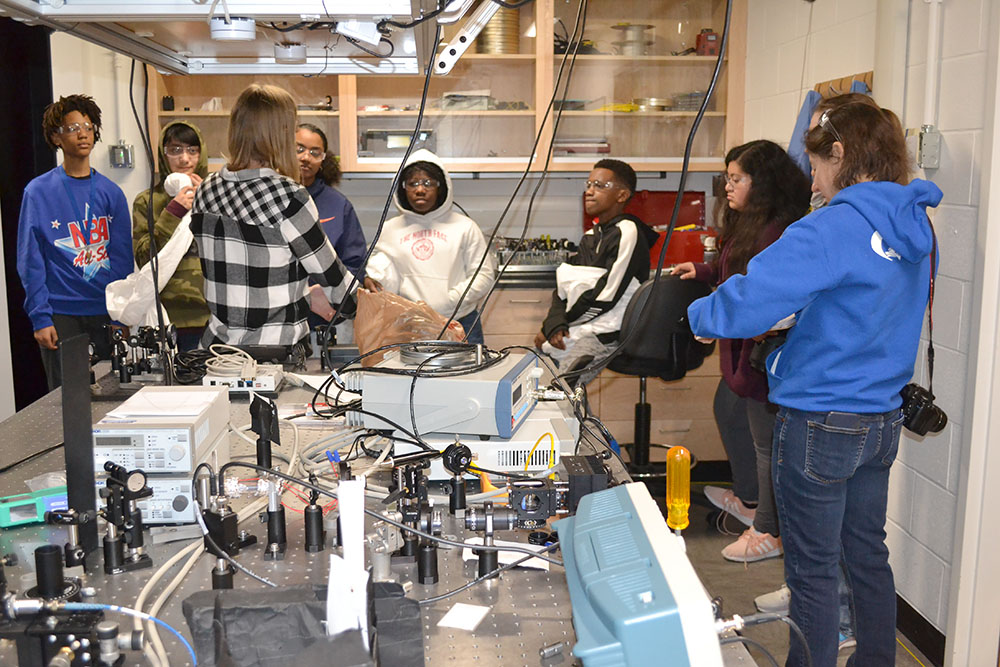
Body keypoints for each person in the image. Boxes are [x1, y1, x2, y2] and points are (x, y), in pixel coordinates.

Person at [687, 98, 942, 667]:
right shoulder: (914, 222)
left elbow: (749, 302)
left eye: (817, 164)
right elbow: (867, 303)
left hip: (820, 421)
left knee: (812, 568)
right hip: (879, 420)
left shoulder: (832, 225)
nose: (814, 179)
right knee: (866, 557)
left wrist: (700, 318)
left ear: (841, 154)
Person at [672, 140, 811, 563]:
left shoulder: (778, 230)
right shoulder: (750, 221)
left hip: (762, 352)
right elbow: (735, 266)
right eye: (727, 178)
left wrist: (718, 321)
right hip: (741, 345)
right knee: (729, 411)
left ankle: (767, 529)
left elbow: (762, 294)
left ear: (762, 182)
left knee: (766, 442)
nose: (727, 187)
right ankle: (750, 500)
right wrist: (706, 270)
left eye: (736, 179)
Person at [190, 84, 355, 348]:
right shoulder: (288, 196)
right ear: (283, 133)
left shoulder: (206, 191)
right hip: (274, 356)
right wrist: (375, 310)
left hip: (217, 352)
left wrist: (302, 294)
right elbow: (334, 279)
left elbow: (237, 279)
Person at [17, 93, 133, 390]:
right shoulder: (38, 192)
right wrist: (40, 317)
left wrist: (122, 312)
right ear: (56, 137)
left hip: (105, 312)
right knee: (66, 403)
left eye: (88, 125)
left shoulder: (112, 193)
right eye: (71, 128)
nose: (82, 133)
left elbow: (122, 258)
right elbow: (31, 259)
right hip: (62, 313)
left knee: (112, 394)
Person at [533, 159, 658, 386]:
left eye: (600, 186)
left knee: (563, 387)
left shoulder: (628, 232)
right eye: (589, 184)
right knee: (538, 374)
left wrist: (562, 325)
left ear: (622, 196)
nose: (589, 191)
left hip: (607, 333)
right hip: (583, 326)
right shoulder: (591, 235)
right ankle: (581, 422)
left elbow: (606, 295)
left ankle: (581, 421)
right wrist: (553, 324)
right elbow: (564, 287)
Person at [364, 150, 495, 344]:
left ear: (441, 187)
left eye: (428, 183)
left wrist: (449, 301)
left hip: (459, 323)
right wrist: (369, 279)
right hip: (408, 325)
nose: (420, 190)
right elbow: (375, 267)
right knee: (408, 375)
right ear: (402, 188)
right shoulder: (389, 229)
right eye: (413, 183)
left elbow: (484, 276)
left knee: (465, 375)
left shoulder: (465, 227)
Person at [132, 121, 210, 350]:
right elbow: (143, 257)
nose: (184, 159)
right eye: (175, 150)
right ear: (163, 155)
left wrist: (208, 199)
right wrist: (173, 211)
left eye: (192, 151)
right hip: (166, 317)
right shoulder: (147, 201)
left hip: (214, 316)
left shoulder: (217, 196)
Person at [296, 123, 366, 280]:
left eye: (315, 153)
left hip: (325, 301)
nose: (306, 158)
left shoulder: (339, 205)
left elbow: (354, 264)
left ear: (323, 159)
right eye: (299, 149)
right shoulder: (270, 197)